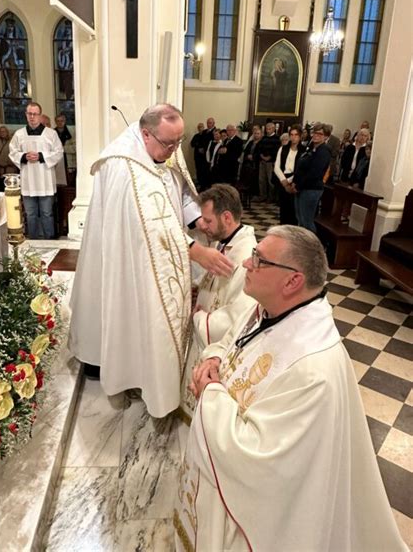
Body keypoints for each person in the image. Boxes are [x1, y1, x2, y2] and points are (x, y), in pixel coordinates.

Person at [175, 226, 408, 552]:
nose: (246, 264)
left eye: (259, 260)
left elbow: (258, 457)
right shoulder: (268, 310)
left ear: (292, 281)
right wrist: (214, 359)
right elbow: (232, 343)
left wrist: (210, 392)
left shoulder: (313, 370)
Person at [69, 104, 233, 418]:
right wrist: (196, 251)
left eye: (179, 143)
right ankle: (118, 371)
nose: (174, 151)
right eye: (168, 144)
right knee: (125, 316)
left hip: (159, 255)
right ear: (146, 134)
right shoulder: (121, 165)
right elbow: (144, 225)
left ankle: (148, 371)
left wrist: (195, 216)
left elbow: (180, 188)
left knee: (148, 319)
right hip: (127, 258)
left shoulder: (164, 147)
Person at [180, 184, 256, 418]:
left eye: (208, 220)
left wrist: (200, 317)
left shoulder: (245, 255)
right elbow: (214, 283)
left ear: (226, 217)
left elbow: (239, 315)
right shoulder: (223, 241)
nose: (202, 225)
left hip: (214, 343)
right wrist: (198, 288)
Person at [9, 102, 63, 239]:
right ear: (26, 115)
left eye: (35, 114)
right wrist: (23, 156)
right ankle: (32, 240)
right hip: (28, 180)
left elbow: (58, 152)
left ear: (40, 115)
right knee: (30, 213)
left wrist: (41, 156)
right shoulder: (19, 134)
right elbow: (12, 152)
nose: (32, 117)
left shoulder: (51, 134)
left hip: (45, 179)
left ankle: (49, 240)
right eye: (29, 114)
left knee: (46, 213)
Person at [292, 122, 330, 233]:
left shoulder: (323, 151)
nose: (316, 135)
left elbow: (314, 173)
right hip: (302, 187)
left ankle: (312, 247)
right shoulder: (311, 149)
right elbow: (300, 167)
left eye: (320, 134)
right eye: (314, 133)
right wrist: (295, 182)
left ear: (326, 136)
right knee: (300, 219)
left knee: (307, 221)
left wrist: (298, 186)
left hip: (311, 189)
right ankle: (302, 245)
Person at [274, 124, 305, 225]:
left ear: (300, 136)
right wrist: (284, 181)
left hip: (295, 181)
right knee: (284, 209)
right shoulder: (283, 148)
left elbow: (301, 170)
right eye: (291, 134)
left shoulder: (304, 150)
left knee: (294, 211)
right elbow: (277, 166)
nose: (293, 137)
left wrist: (289, 182)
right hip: (283, 179)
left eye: (296, 135)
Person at [238, 125, 262, 204]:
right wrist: (248, 156)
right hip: (248, 163)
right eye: (255, 133)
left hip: (256, 164)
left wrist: (254, 157)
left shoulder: (261, 143)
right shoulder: (251, 142)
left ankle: (254, 194)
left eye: (258, 133)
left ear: (261, 134)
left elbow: (260, 153)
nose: (256, 135)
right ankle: (245, 194)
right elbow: (245, 151)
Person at [0, 125, 19, 191]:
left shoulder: (12, 142)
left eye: (4, 131)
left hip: (10, 168)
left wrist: (9, 163)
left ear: (7, 132)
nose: (2, 133)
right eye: (1, 132)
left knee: (10, 187)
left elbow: (15, 154)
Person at [258, 122, 280, 202]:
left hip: (271, 162)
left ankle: (271, 197)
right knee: (261, 180)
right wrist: (262, 156)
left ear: (274, 129)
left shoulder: (277, 138)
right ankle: (263, 195)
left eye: (269, 129)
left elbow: (276, 150)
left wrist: (269, 157)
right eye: (267, 129)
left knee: (270, 180)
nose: (267, 130)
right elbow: (259, 148)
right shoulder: (264, 138)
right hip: (262, 161)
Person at [190, 121, 209, 190]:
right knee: (198, 170)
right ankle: (199, 183)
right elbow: (192, 144)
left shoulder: (206, 135)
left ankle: (204, 185)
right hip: (197, 156)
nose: (200, 128)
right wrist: (197, 145)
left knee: (204, 170)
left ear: (204, 128)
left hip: (204, 157)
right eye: (199, 127)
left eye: (202, 127)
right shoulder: (196, 136)